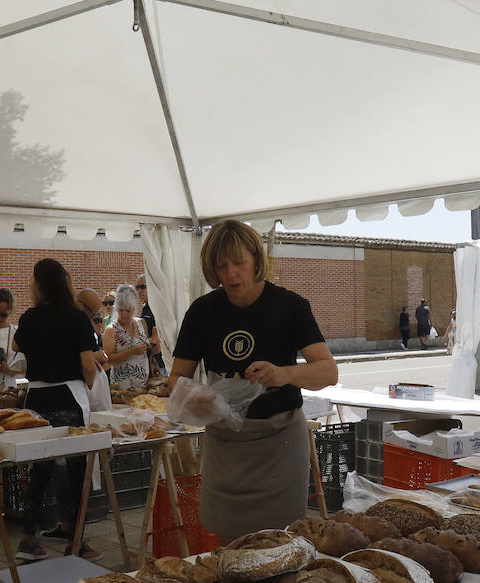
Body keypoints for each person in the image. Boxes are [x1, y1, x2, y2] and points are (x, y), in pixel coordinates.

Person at [169, 219, 338, 543]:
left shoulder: (290, 306)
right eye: (222, 266)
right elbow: (176, 378)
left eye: (239, 263)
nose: (232, 273)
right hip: (225, 444)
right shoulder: (202, 312)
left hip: (280, 443)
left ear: (256, 261)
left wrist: (285, 373)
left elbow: (328, 372)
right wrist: (195, 396)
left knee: (281, 542)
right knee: (229, 542)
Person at [11, 259, 100, 562]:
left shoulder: (28, 318)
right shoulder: (76, 318)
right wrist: (90, 384)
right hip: (68, 398)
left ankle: (28, 538)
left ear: (38, 284)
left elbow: (15, 347)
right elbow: (89, 365)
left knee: (40, 469)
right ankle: (76, 541)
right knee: (76, 471)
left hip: (36, 400)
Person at [105, 284, 151, 392]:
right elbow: (109, 359)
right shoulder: (111, 329)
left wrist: (153, 348)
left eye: (128, 310)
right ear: (116, 308)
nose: (125, 314)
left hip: (143, 385)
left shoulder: (141, 323)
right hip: (122, 387)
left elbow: (147, 351)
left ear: (134, 308)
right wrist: (132, 351)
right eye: (121, 310)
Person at [75, 288, 112, 415]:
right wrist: (92, 358)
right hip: (82, 387)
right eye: (92, 313)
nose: (92, 317)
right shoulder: (77, 321)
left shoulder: (83, 322)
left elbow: (99, 356)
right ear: (79, 304)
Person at [135, 276, 166, 376]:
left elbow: (156, 336)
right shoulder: (145, 307)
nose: (139, 291)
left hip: (161, 363)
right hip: (148, 360)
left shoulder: (158, 306)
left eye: (143, 287)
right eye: (137, 288)